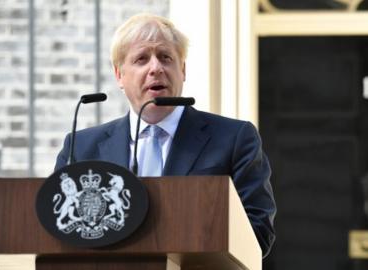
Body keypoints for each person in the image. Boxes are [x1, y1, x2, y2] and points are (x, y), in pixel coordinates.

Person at [55, 13, 276, 257]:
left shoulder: (234, 139)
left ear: (182, 69)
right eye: (141, 59)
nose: (156, 68)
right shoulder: (81, 147)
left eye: (165, 57)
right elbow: (58, 231)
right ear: (119, 75)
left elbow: (258, 234)